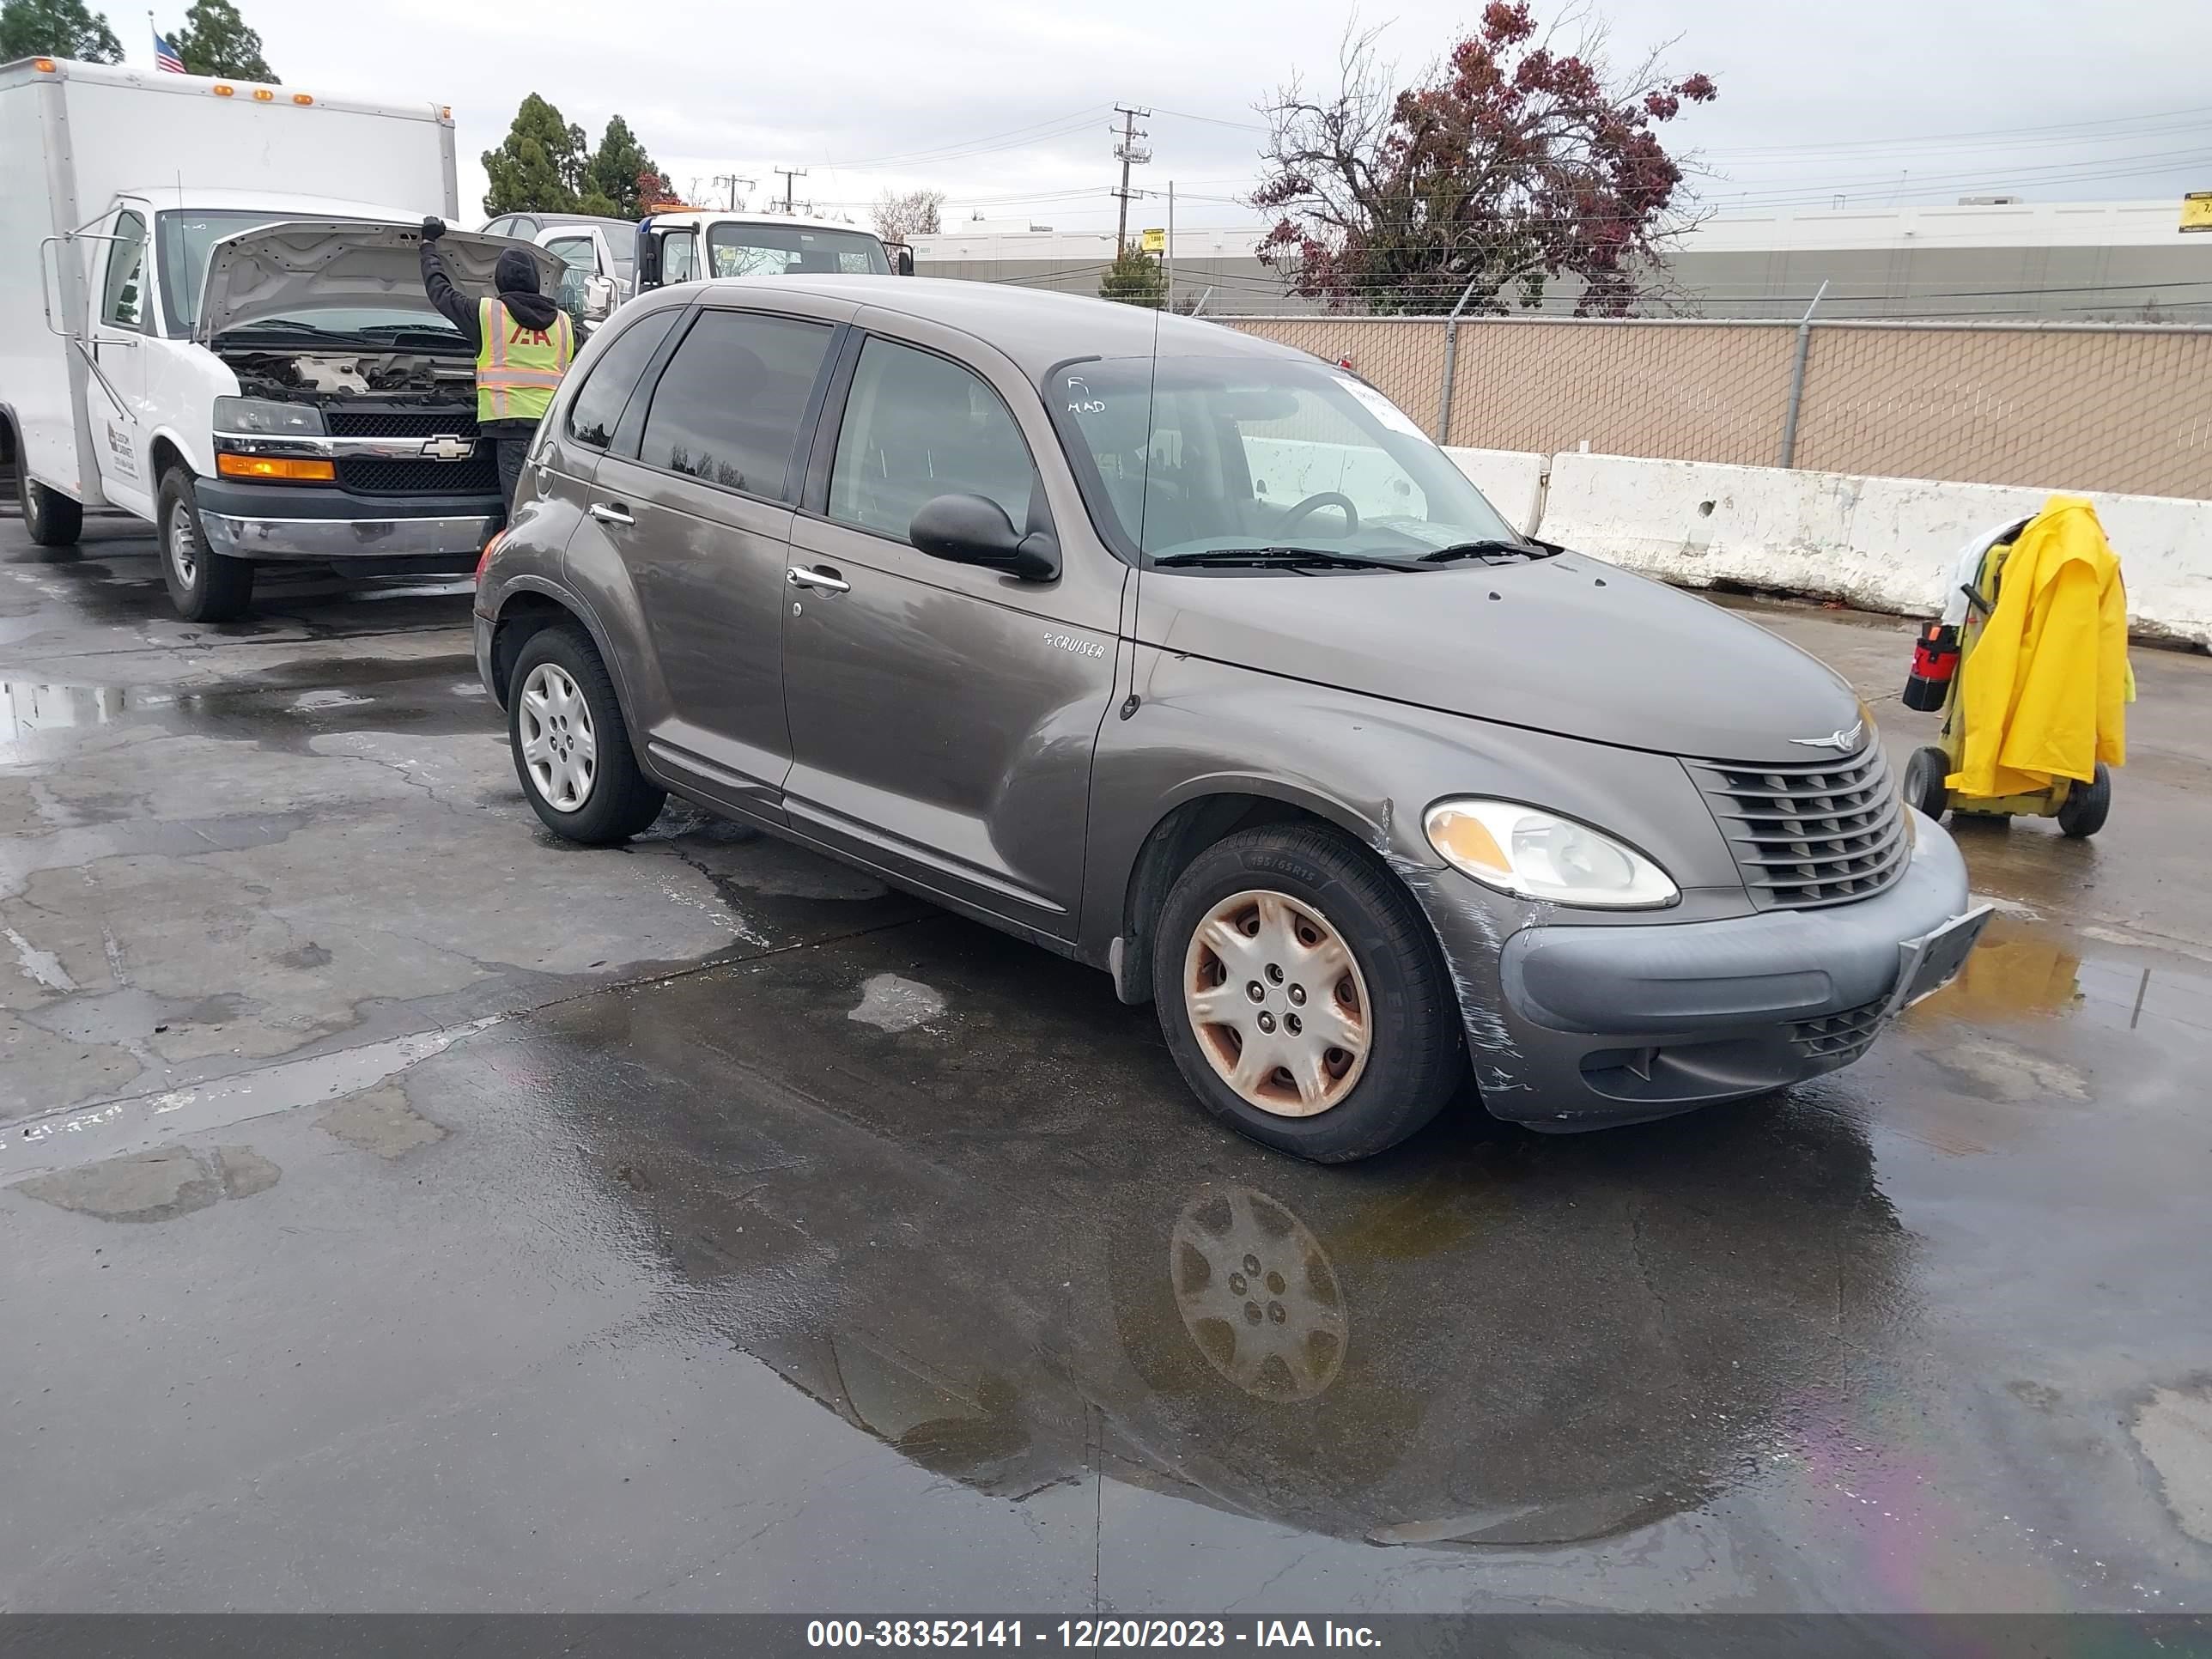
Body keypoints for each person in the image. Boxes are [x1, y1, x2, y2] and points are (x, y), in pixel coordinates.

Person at [417, 217, 576, 516]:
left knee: (519, 513)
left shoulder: (486, 314)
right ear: (536, 281)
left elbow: (440, 291)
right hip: (553, 433)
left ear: (499, 281)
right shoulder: (565, 325)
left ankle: (518, 561)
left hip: (509, 429)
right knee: (551, 512)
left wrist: (428, 246)